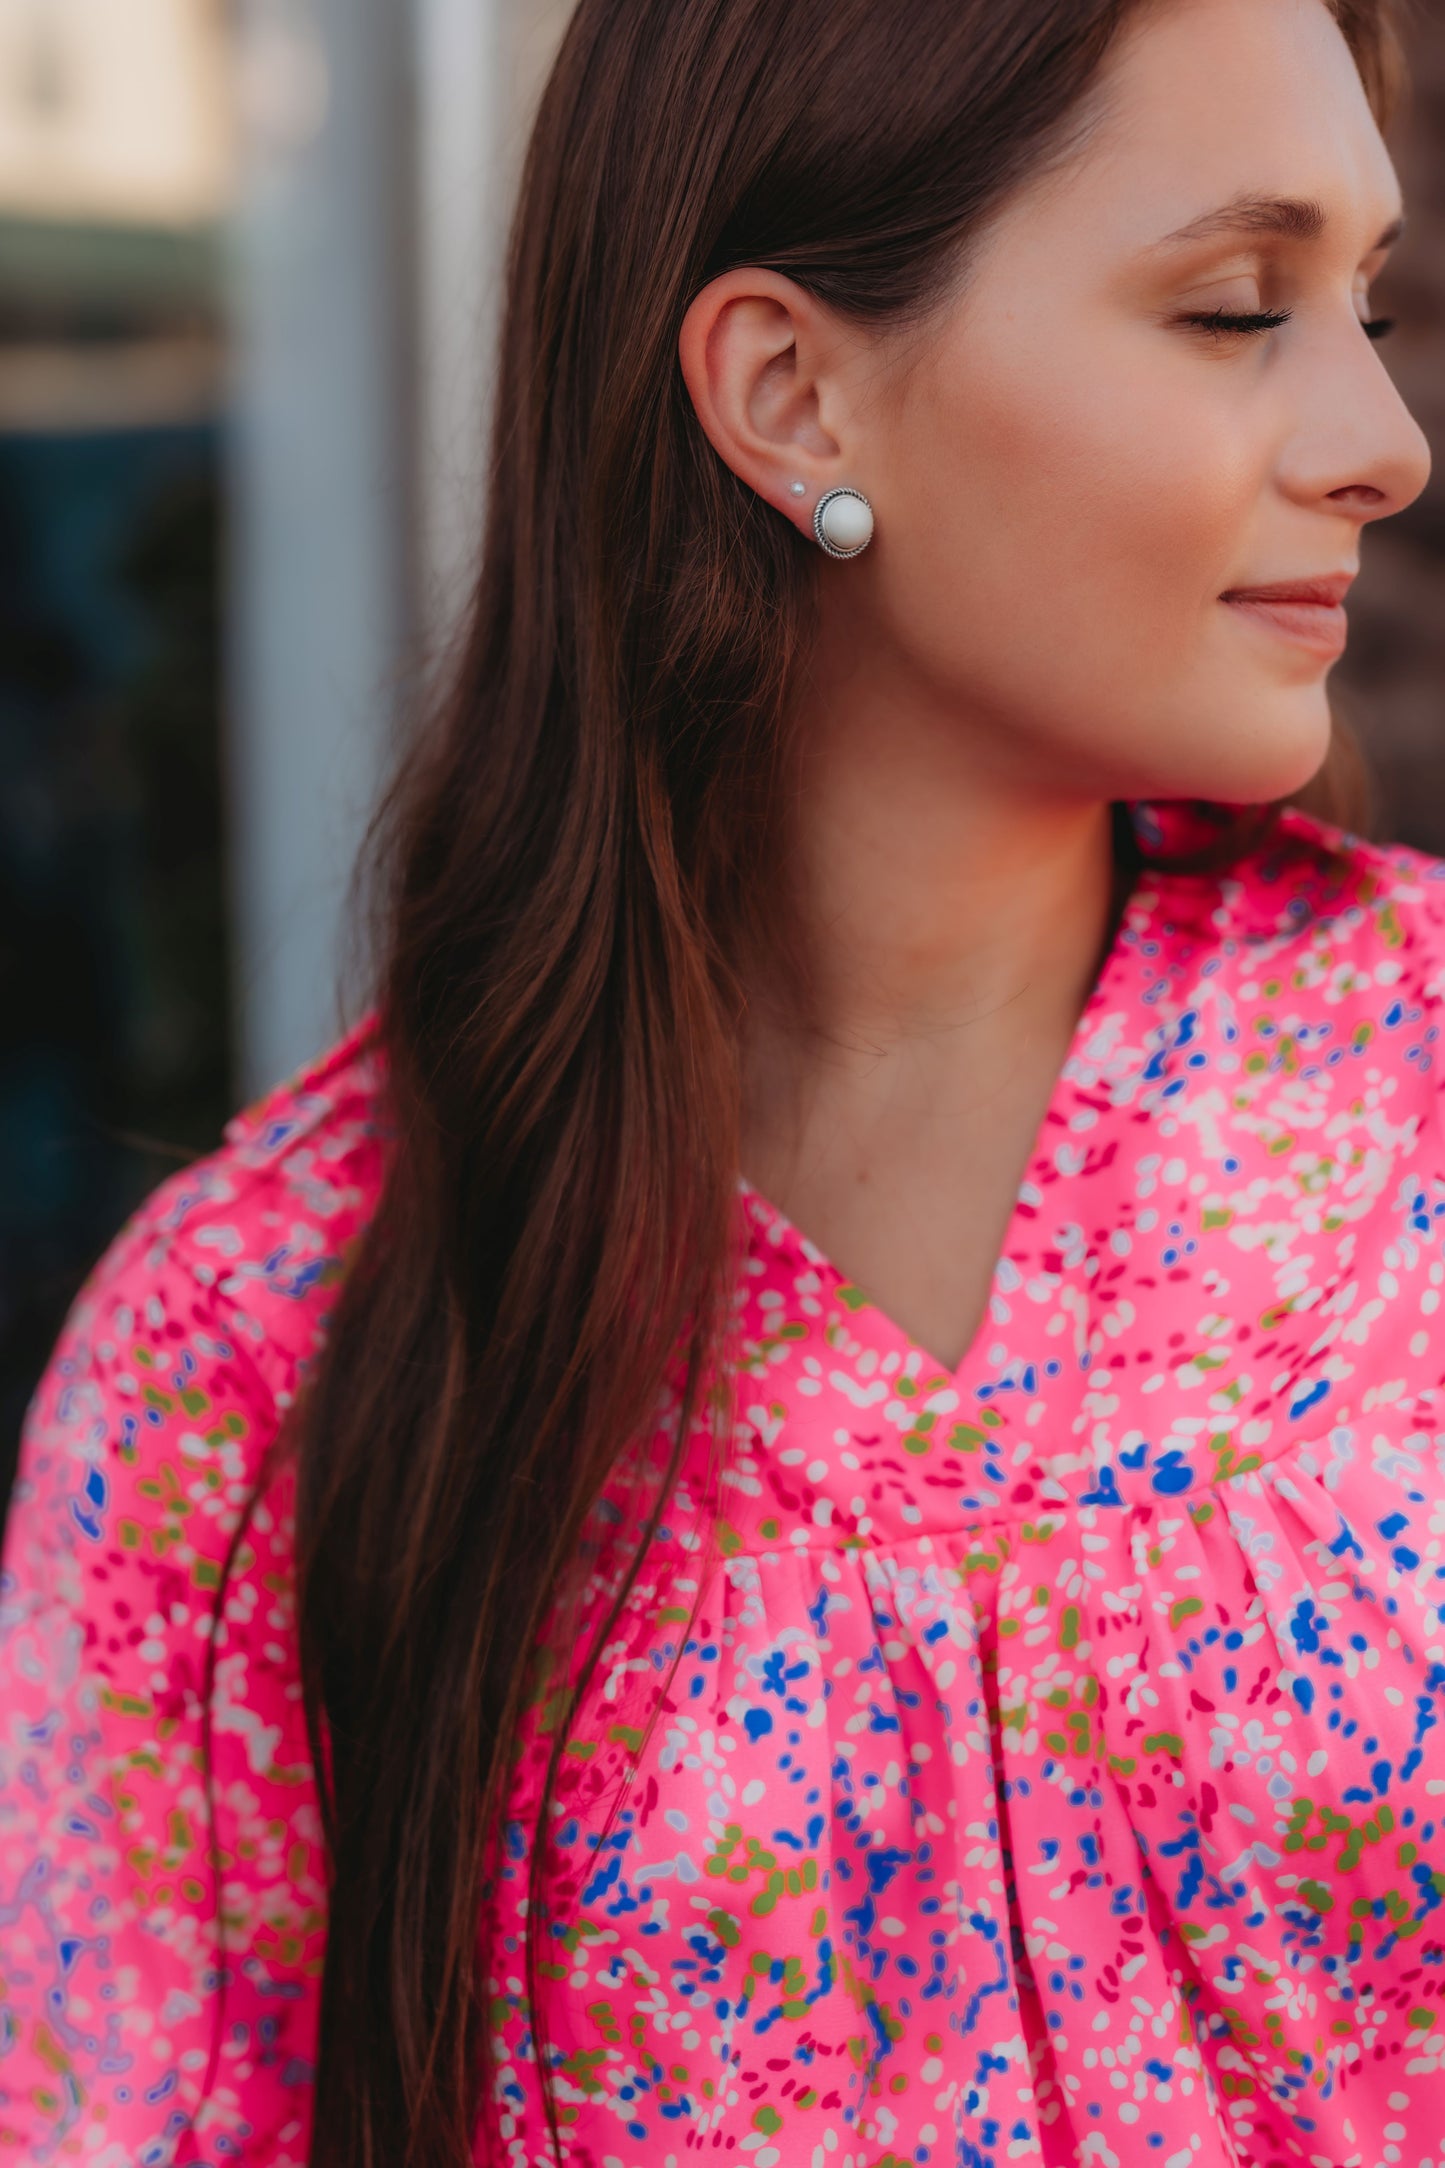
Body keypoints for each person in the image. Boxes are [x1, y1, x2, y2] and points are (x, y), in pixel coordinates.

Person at [1, 0, 1439, 2160]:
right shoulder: (255, 1350)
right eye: (1236, 305)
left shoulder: (1417, 1100)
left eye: (1372, 301)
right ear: (789, 391)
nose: (1385, 434)